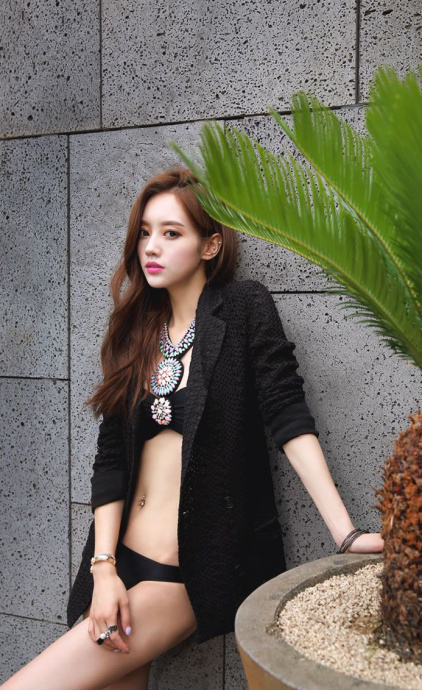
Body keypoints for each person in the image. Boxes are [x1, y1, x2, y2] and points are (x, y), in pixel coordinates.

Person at [3, 167, 383, 690]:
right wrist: (104, 570)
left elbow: (288, 416)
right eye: (145, 232)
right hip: (114, 565)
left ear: (210, 245)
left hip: (183, 573)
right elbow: (110, 463)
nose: (151, 247)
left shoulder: (243, 308)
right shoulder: (137, 331)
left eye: (171, 232)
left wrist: (346, 532)